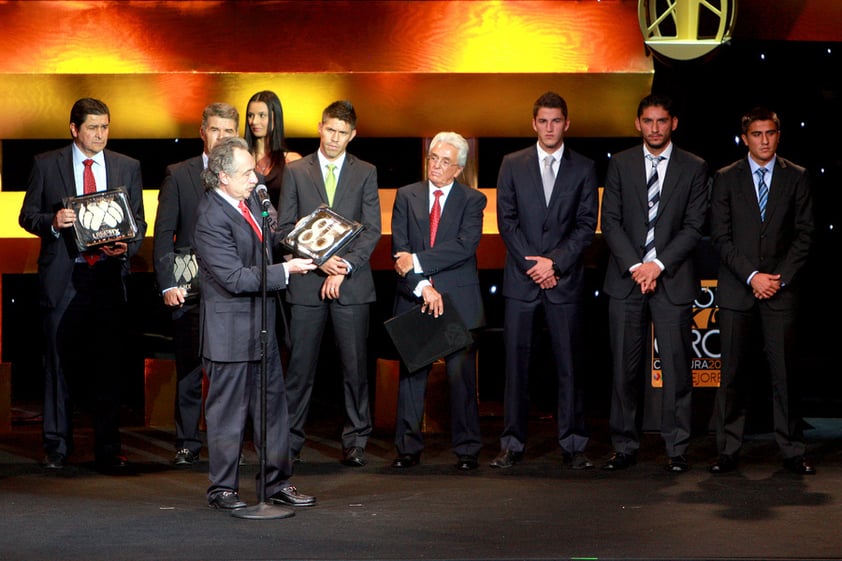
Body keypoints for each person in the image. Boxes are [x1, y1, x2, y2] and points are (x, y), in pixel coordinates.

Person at [19, 97, 147, 471]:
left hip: (106, 276)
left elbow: (137, 221)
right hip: (63, 278)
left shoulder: (128, 166)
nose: (100, 134)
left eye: (105, 127)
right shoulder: (47, 164)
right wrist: (53, 221)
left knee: (108, 365)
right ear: (74, 129)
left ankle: (108, 448)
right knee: (57, 366)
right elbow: (27, 215)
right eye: (93, 127)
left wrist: (128, 244)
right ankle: (57, 447)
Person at [193, 136, 317, 510]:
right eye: (247, 172)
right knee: (229, 415)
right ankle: (223, 489)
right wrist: (285, 270)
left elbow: (271, 239)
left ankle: (277, 482)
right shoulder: (210, 216)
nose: (256, 178)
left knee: (273, 411)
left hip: (262, 329)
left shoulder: (249, 202)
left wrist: (306, 233)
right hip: (229, 333)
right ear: (221, 177)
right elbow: (234, 277)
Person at [600, 94, 709, 473]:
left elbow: (695, 226)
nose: (655, 128)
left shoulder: (694, 167)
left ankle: (676, 448)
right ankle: (625, 446)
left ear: (673, 123)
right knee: (623, 371)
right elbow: (610, 222)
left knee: (678, 369)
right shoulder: (620, 164)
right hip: (626, 281)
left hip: (671, 279)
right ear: (637, 123)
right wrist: (636, 266)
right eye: (648, 121)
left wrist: (657, 265)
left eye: (662, 121)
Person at [492, 91, 599, 470]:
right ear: (533, 123)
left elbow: (586, 226)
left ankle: (573, 444)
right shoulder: (512, 164)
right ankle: (512, 444)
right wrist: (533, 266)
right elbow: (507, 222)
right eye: (543, 121)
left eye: (556, 121)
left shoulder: (584, 167)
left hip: (564, 282)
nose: (550, 127)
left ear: (566, 124)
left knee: (569, 365)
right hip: (522, 283)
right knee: (516, 366)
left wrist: (553, 264)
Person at [708, 107, 816, 475]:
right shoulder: (725, 178)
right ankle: (727, 449)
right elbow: (720, 237)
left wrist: (778, 278)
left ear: (778, 135)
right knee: (733, 373)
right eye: (757, 134)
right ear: (745, 138)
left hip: (781, 291)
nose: (765, 140)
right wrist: (752, 275)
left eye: (770, 133)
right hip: (739, 290)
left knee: (784, 373)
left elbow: (804, 234)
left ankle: (791, 449)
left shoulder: (797, 177)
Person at [278, 100, 381, 467]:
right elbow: (284, 228)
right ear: (320, 127)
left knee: (354, 369)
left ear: (352, 135)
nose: (335, 138)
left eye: (342, 133)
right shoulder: (296, 170)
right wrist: (322, 262)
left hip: (351, 285)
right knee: (299, 370)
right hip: (307, 282)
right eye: (330, 130)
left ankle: (356, 440)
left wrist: (345, 268)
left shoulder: (366, 171)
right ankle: (288, 442)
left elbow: (371, 229)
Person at [390, 131, 487, 471]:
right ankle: (407, 449)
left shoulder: (473, 201)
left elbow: (464, 246)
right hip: (416, 297)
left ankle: (467, 450)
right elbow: (398, 252)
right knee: (412, 377)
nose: (437, 166)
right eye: (434, 158)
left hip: (457, 300)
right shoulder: (406, 195)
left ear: (458, 169)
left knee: (461, 379)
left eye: (445, 162)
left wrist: (417, 262)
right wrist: (422, 287)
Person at [153, 102, 239, 466]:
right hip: (187, 290)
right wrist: (167, 284)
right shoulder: (178, 173)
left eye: (229, 132)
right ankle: (187, 441)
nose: (222, 137)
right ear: (203, 131)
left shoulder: (245, 177)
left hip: (230, 288)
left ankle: (227, 442)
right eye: (216, 130)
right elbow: (163, 235)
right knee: (189, 368)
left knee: (229, 371)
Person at [244, 90, 302, 208]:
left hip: (281, 224)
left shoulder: (291, 161)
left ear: (276, 117)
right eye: (251, 115)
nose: (254, 121)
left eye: (262, 115)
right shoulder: (241, 158)